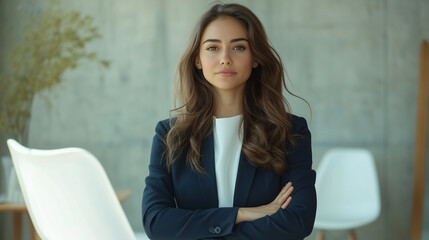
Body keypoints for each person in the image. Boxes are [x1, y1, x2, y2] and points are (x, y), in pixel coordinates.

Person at [142, 3, 316, 240]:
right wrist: (242, 214)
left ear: (255, 58)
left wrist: (201, 229)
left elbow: (297, 222)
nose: (225, 59)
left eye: (238, 47)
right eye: (213, 47)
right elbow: (156, 223)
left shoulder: (290, 132)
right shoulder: (169, 135)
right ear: (198, 60)